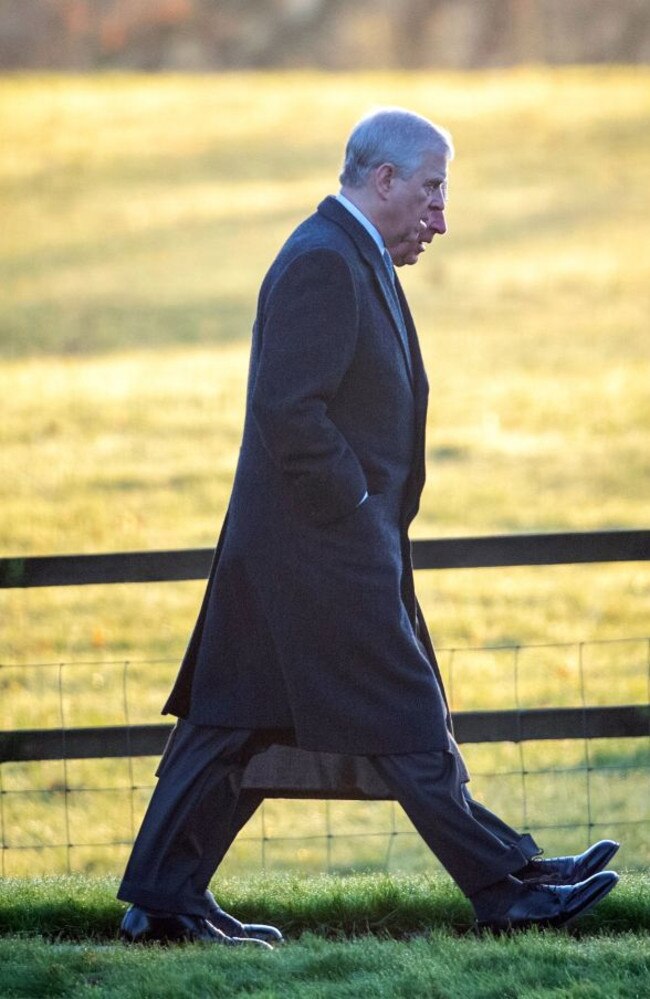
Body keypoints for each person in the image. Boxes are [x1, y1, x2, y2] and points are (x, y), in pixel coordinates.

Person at [118, 108, 619, 944]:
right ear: (382, 180)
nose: (441, 217)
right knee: (408, 717)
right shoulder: (323, 261)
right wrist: (354, 512)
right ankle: (507, 885)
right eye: (431, 191)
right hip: (320, 561)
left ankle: (164, 902)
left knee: (230, 727)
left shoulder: (353, 255)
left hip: (306, 559)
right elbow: (290, 411)